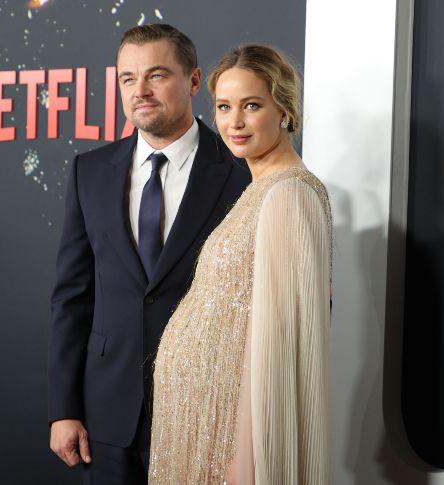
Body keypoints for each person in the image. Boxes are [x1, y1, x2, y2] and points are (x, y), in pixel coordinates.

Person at [48, 24, 251, 484]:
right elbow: (72, 298)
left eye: (156, 75)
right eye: (128, 78)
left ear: (194, 82)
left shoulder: (241, 173)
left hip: (206, 414)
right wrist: (63, 408)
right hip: (106, 414)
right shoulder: (89, 172)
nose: (140, 90)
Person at [149, 44, 333, 484]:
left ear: (284, 110)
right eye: (224, 107)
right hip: (202, 427)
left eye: (252, 105)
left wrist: (246, 458)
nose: (234, 122)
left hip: (230, 443)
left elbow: (277, 345)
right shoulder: (258, 190)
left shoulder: (288, 195)